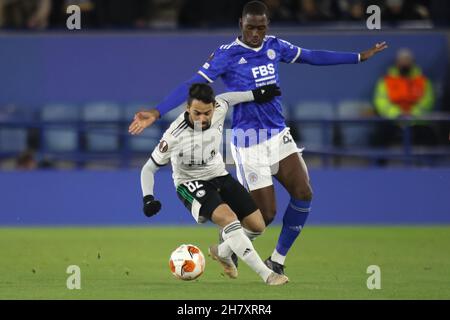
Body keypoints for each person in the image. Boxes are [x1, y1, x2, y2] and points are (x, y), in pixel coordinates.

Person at [129, 0, 387, 276]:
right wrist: (157, 111)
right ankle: (226, 246)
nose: (255, 33)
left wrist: (357, 57)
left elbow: (312, 56)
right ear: (241, 24)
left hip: (278, 134)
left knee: (304, 193)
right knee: (264, 217)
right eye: (250, 27)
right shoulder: (227, 55)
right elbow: (193, 83)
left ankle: (276, 259)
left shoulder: (275, 46)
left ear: (267, 26)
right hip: (249, 140)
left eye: (261, 28)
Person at [140, 82, 289, 285]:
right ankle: (268, 275)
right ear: (187, 109)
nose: (202, 118)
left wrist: (256, 93)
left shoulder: (220, 106)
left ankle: (221, 251)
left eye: (207, 113)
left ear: (213, 108)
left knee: (257, 226)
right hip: (190, 183)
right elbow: (148, 169)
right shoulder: (174, 136)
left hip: (219, 175)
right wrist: (148, 198)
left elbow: (230, 97)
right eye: (197, 113)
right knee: (229, 219)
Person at [372, 48, 436, 148]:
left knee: (430, 136)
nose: (404, 63)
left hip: (417, 121)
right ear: (397, 63)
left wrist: (412, 114)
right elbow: (381, 102)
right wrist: (397, 114)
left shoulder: (423, 81)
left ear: (412, 62)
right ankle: (378, 163)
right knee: (379, 137)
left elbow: (428, 101)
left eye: (407, 60)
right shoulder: (385, 81)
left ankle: (430, 163)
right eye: (402, 60)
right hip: (393, 121)